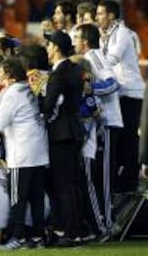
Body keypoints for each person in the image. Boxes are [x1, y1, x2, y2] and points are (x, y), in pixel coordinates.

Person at [0, 57, 48, 250]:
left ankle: (16, 238)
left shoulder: (12, 93)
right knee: (36, 199)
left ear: (8, 74)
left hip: (22, 154)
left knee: (17, 198)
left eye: (0, 71)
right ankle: (37, 238)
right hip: (38, 151)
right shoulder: (27, 89)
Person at [74, 23, 124, 233]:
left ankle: (109, 225)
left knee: (103, 176)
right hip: (102, 123)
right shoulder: (90, 57)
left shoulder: (94, 56)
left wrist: (90, 87)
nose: (74, 41)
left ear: (85, 41)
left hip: (109, 122)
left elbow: (113, 84)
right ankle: (103, 221)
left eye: (77, 37)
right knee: (98, 175)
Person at [96, 0, 146, 193]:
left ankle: (131, 181)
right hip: (119, 92)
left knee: (130, 137)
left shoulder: (123, 34)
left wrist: (91, 59)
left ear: (111, 15)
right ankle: (121, 179)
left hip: (132, 91)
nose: (97, 17)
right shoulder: (105, 36)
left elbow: (111, 58)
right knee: (122, 138)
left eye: (100, 13)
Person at [42, 30, 85, 246]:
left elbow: (48, 107)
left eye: (48, 45)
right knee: (70, 184)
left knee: (62, 185)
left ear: (56, 48)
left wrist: (32, 100)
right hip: (73, 131)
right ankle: (69, 230)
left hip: (61, 134)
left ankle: (69, 233)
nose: (46, 49)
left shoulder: (58, 74)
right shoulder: (75, 69)